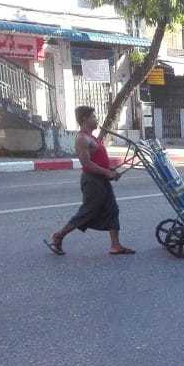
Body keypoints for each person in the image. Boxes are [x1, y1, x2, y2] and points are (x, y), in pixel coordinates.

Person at [45, 106, 134, 256]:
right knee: (87, 212)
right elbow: (87, 164)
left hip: (102, 179)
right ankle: (58, 236)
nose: (96, 119)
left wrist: (111, 170)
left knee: (112, 209)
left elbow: (98, 160)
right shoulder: (82, 139)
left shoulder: (92, 137)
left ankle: (115, 245)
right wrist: (107, 172)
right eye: (93, 117)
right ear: (84, 119)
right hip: (93, 182)